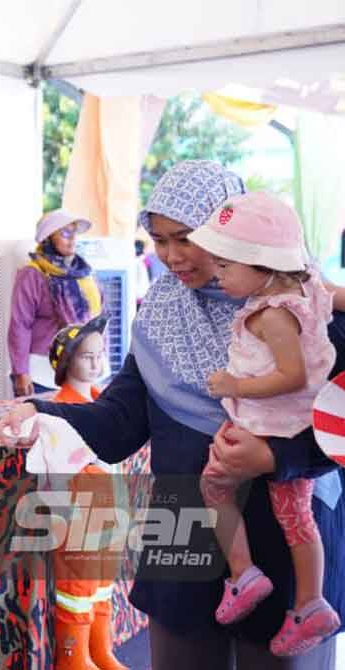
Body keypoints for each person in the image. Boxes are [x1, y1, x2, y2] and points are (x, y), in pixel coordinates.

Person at [0, 160, 345, 669]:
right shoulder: (161, 314)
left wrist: (273, 455)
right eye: (160, 239)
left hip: (288, 543)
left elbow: (338, 426)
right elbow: (119, 423)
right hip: (184, 529)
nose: (172, 257)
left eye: (187, 237)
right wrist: (40, 412)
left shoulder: (312, 313)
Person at [188, 192, 339, 656]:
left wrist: (233, 384)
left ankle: (244, 575)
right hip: (289, 426)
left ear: (262, 266)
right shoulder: (306, 287)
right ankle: (309, 603)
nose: (217, 274)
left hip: (273, 427)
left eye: (226, 266)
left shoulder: (271, 314)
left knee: (214, 488)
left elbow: (291, 375)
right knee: (295, 518)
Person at [46, 313, 128, 670]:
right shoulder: (60, 410)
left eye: (100, 354)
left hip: (107, 511)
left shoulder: (105, 406)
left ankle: (100, 651)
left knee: (102, 585)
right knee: (77, 589)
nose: (96, 363)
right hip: (79, 513)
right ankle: (73, 659)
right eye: (86, 355)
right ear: (66, 362)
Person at [8, 210, 102, 396]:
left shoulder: (84, 272)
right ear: (47, 239)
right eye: (65, 233)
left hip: (84, 369)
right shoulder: (32, 274)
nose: (72, 239)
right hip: (43, 372)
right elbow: (20, 325)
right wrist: (21, 372)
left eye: (74, 233)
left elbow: (97, 318)